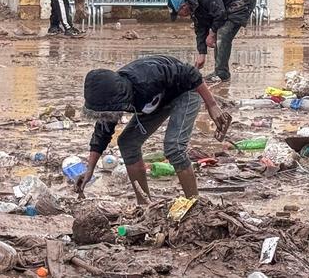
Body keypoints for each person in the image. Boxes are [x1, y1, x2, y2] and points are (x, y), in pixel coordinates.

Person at [76, 55, 231, 204]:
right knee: (127, 143)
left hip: (185, 91)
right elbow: (102, 133)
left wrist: (211, 105)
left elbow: (191, 73)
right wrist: (90, 170)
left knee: (174, 147)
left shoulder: (147, 77)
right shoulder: (110, 100)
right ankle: (144, 204)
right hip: (156, 101)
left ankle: (195, 204)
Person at [168, 0, 256, 83]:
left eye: (178, 14)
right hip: (229, 4)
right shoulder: (194, 8)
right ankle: (220, 72)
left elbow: (220, 13)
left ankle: (222, 73)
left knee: (223, 33)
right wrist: (202, 54)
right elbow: (200, 30)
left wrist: (212, 34)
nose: (181, 16)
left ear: (183, 7)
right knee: (220, 32)